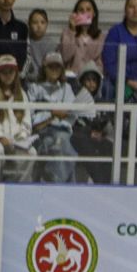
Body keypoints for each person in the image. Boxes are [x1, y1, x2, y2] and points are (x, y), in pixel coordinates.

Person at [0, 54, 38, 181]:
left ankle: (20, 184)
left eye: (11, 72)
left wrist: (21, 136)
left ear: (16, 74)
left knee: (32, 153)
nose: (7, 76)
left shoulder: (22, 94)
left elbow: (27, 122)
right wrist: (0, 136)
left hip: (17, 139)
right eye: (4, 72)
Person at [29, 51, 81, 183]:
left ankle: (54, 181)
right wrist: (52, 114)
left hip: (63, 131)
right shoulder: (34, 88)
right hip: (41, 132)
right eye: (50, 66)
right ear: (44, 68)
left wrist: (51, 114)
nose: (54, 70)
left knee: (60, 143)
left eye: (57, 67)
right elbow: (31, 117)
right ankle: (63, 186)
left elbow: (71, 115)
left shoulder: (67, 88)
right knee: (59, 146)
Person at [72, 66, 116, 179]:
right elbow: (73, 124)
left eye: (94, 80)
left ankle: (107, 182)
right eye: (88, 80)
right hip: (81, 138)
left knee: (109, 146)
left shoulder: (103, 102)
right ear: (82, 82)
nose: (91, 84)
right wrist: (89, 132)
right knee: (83, 142)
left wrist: (102, 134)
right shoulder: (74, 100)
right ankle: (98, 180)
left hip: (101, 137)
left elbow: (108, 124)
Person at [63, 0, 108, 75]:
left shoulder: (101, 37)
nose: (84, 12)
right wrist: (72, 30)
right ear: (76, 13)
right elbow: (65, 56)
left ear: (94, 13)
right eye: (81, 10)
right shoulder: (67, 33)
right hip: (72, 76)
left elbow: (101, 63)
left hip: (92, 78)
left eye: (88, 9)